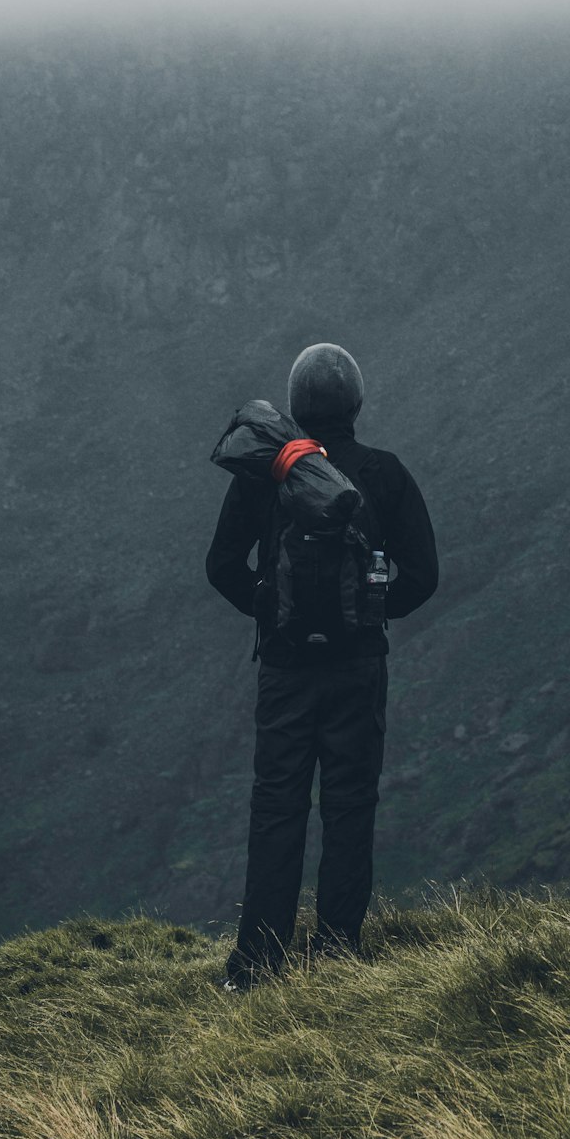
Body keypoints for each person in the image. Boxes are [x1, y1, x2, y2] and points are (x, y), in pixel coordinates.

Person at [206, 342, 439, 989]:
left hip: (284, 671)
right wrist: (369, 610)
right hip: (357, 669)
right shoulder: (384, 474)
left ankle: (256, 966)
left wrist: (268, 606)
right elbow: (423, 577)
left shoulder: (268, 474)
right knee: (349, 806)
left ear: (297, 407)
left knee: (277, 806)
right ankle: (337, 958)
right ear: (357, 403)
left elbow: (220, 567)